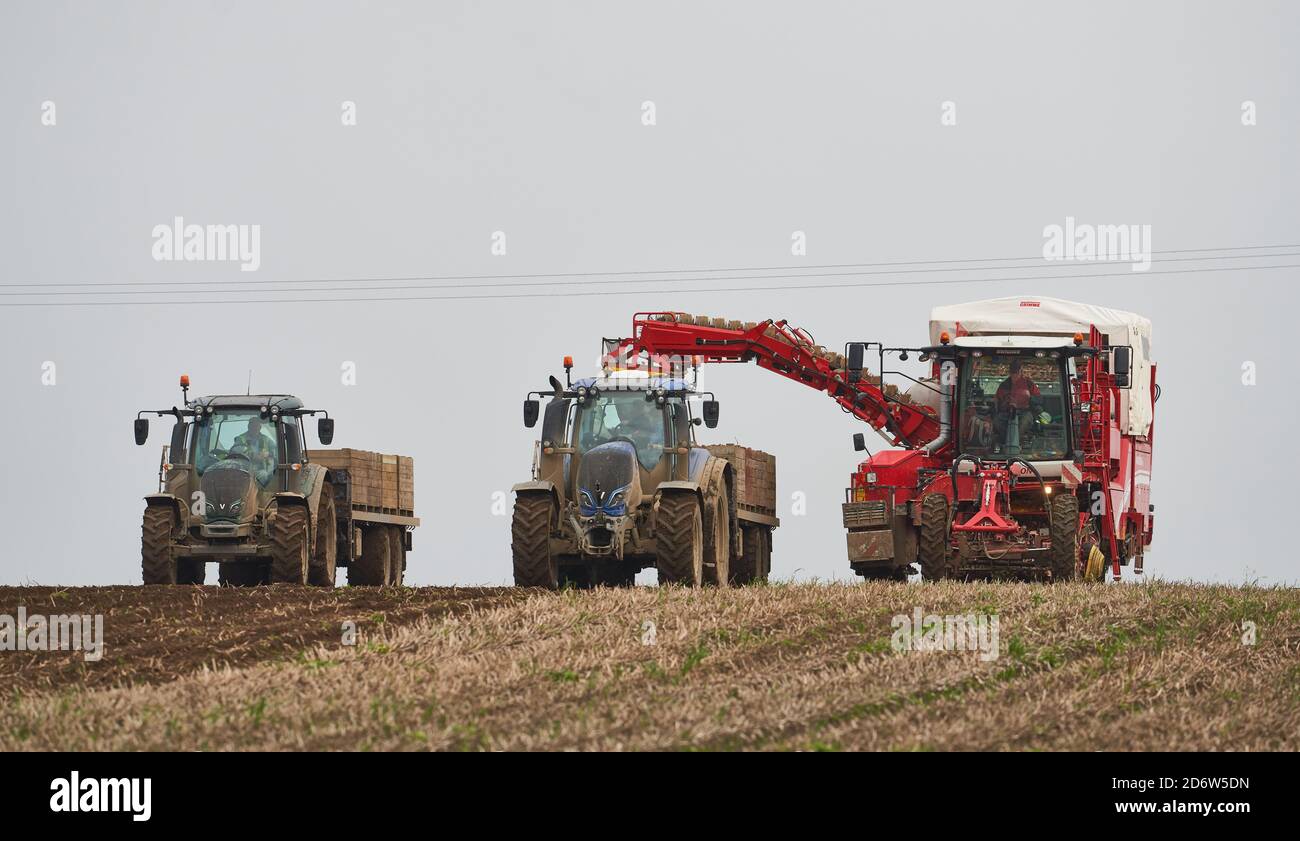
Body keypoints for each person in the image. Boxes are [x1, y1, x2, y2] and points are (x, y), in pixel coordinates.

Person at [993, 360, 1042, 448]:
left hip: (1025, 411)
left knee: (1024, 421)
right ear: (1010, 372)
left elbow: (1038, 399)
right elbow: (998, 401)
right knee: (997, 421)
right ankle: (1006, 441)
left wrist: (1029, 399)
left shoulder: (1029, 384)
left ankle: (1014, 443)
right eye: (1012, 373)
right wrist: (1005, 404)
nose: (1014, 375)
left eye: (1016, 372)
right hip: (1007, 412)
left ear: (1020, 371)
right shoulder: (1004, 385)